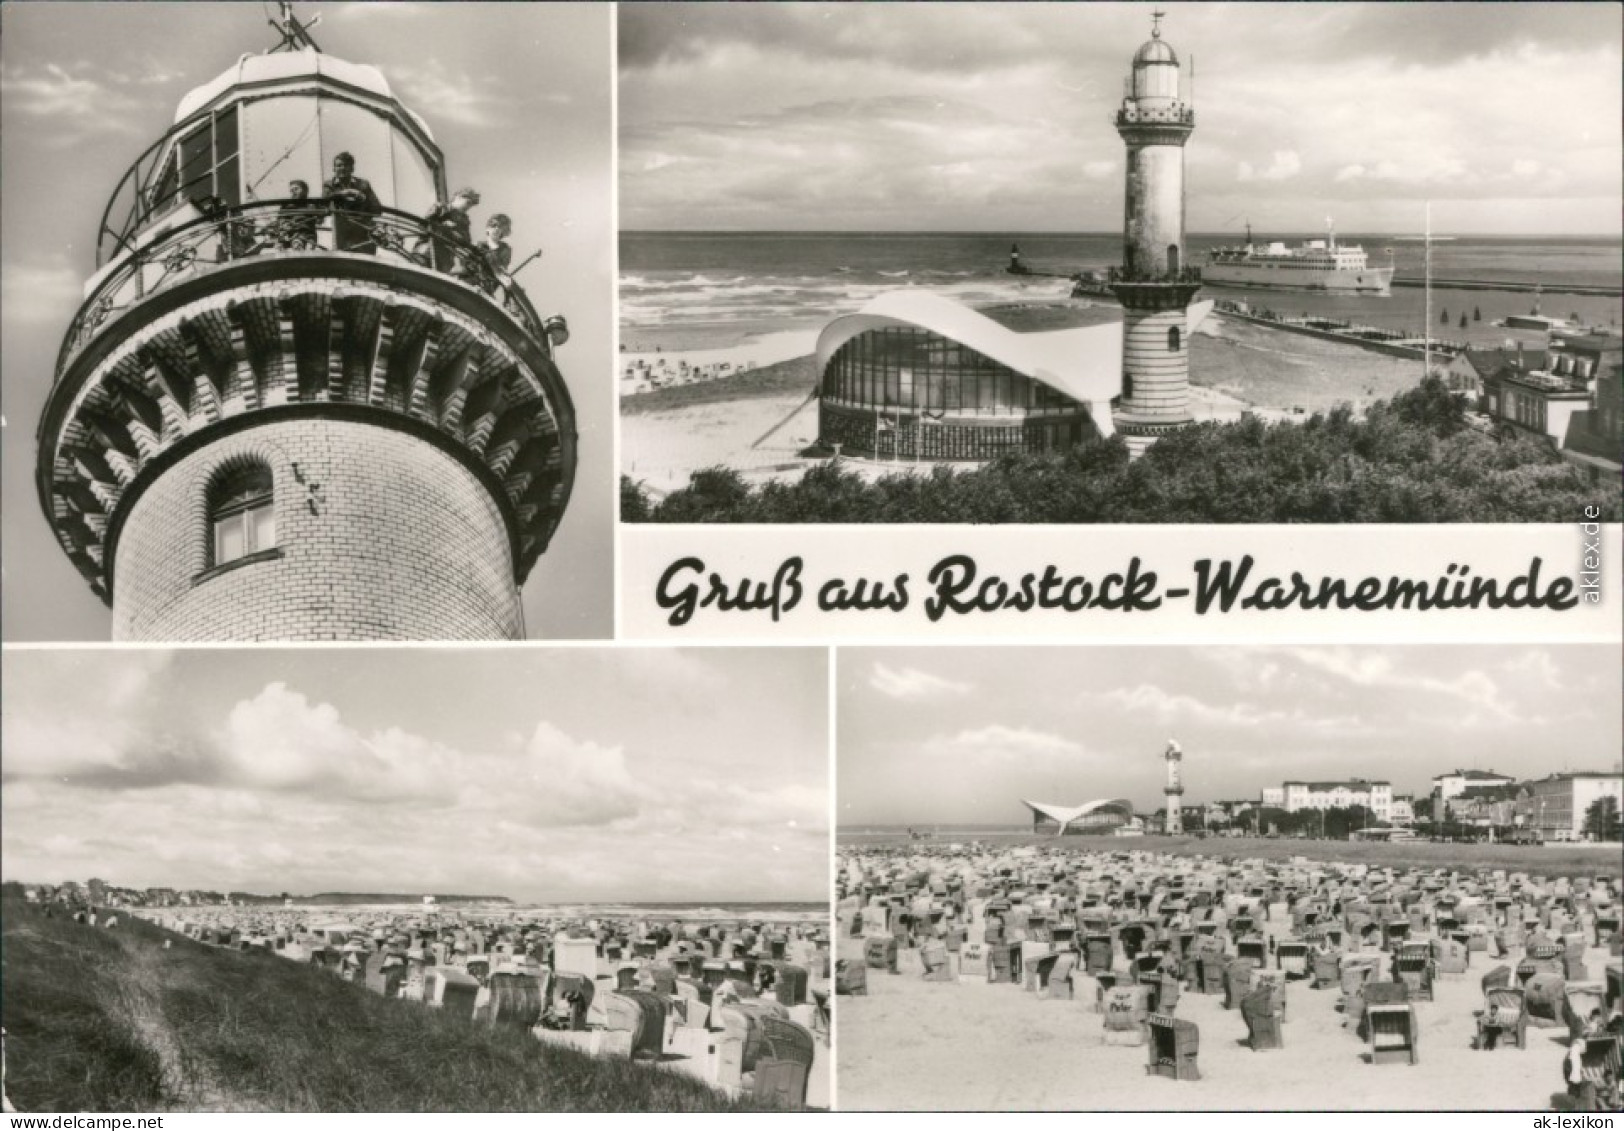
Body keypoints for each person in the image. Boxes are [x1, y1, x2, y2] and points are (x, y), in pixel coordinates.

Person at [322, 151, 381, 253]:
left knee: (365, 263)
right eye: (339, 165)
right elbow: (325, 200)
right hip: (341, 232)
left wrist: (363, 198)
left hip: (362, 232)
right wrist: (344, 193)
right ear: (334, 168)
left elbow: (377, 209)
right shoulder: (329, 185)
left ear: (352, 168)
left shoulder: (363, 184)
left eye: (346, 165)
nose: (342, 168)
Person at [424, 188, 479, 273]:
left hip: (445, 260)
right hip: (427, 251)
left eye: (471, 205)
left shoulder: (464, 221)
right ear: (458, 197)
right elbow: (424, 224)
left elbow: (466, 241)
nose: (468, 207)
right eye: (468, 203)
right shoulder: (440, 208)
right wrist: (443, 225)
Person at [275, 180, 320, 250]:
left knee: (300, 245)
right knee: (278, 246)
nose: (293, 192)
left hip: (306, 235)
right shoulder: (286, 206)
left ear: (305, 191)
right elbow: (280, 220)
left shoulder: (311, 205)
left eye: (296, 189)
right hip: (288, 234)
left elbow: (320, 218)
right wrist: (285, 226)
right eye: (291, 190)